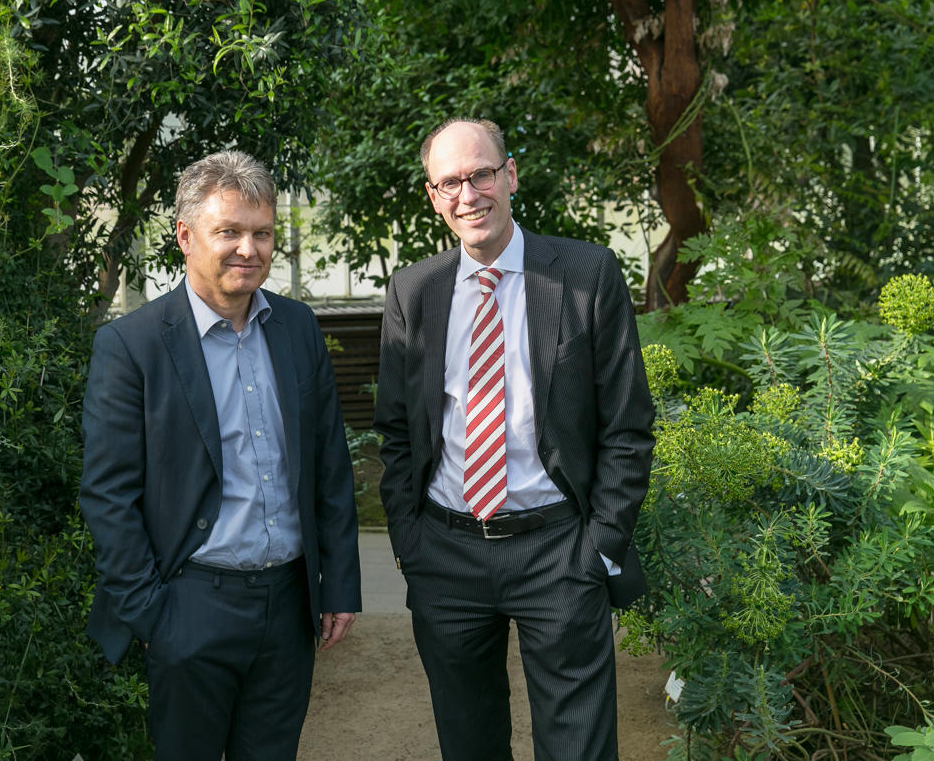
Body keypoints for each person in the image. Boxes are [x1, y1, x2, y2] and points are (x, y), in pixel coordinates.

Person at [374, 118, 655, 761]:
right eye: (450, 182)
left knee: (578, 748)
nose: (468, 194)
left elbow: (628, 426)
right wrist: (411, 542)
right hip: (446, 554)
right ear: (433, 197)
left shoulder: (586, 274)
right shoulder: (413, 290)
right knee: (468, 744)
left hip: (559, 551)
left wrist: (598, 548)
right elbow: (395, 431)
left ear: (510, 176)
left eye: (481, 175)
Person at [80, 149, 361, 761]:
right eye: (229, 232)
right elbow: (108, 496)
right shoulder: (132, 345)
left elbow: (329, 467)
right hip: (190, 604)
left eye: (262, 233)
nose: (248, 250)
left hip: (288, 607)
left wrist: (338, 585)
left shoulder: (297, 328)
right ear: (186, 236)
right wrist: (154, 618)